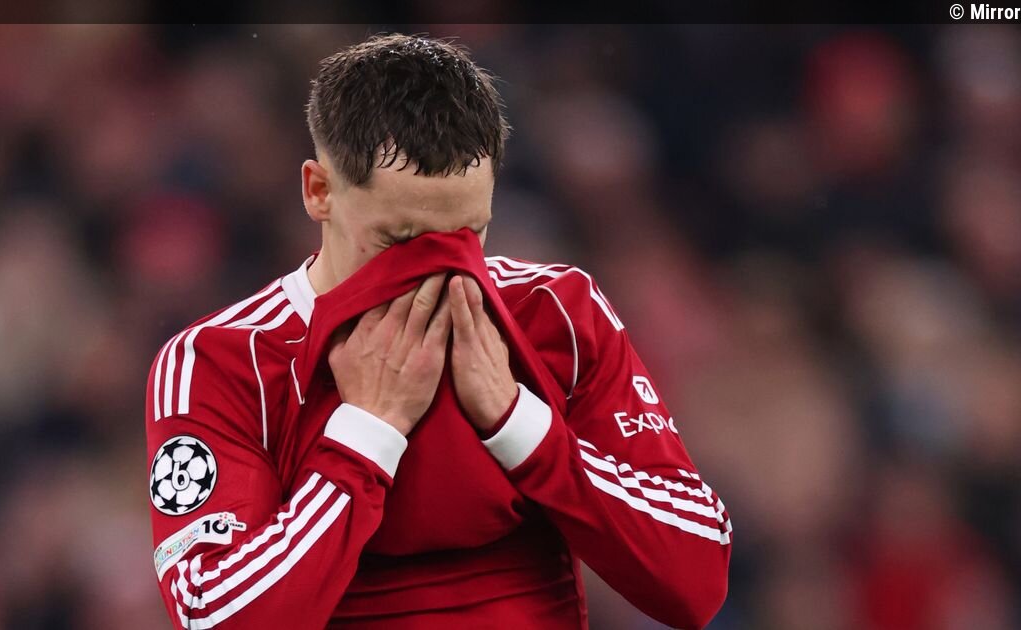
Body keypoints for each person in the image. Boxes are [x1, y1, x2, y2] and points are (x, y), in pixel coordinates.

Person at [145, 33, 731, 630]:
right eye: (400, 240)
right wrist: (364, 437)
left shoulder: (555, 313)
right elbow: (211, 615)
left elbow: (697, 579)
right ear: (319, 192)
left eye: (467, 236)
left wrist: (520, 425)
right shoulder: (222, 361)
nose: (438, 271)